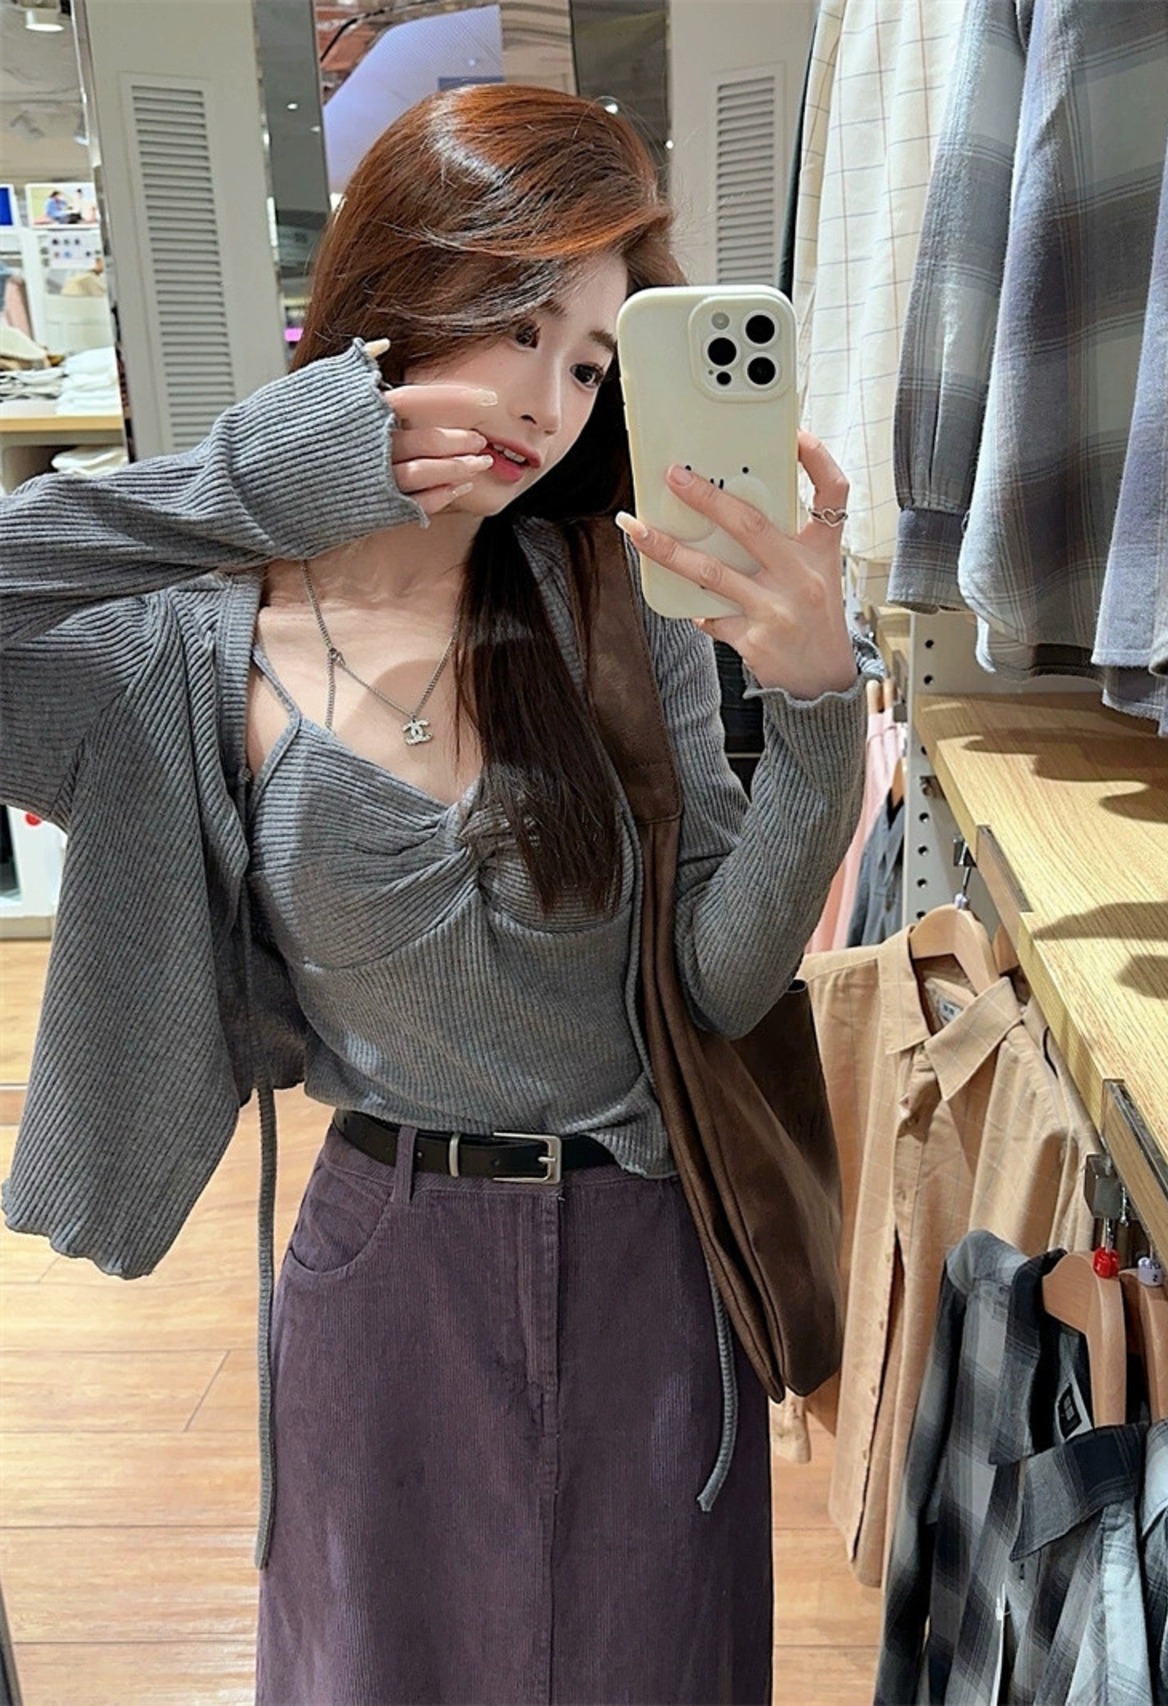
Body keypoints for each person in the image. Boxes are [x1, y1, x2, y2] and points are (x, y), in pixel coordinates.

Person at [0, 85, 873, 1704]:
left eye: (590, 361)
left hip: (646, 1264)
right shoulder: (184, 656)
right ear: (397, 295)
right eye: (517, 323)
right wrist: (268, 481)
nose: (548, 399)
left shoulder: (611, 605)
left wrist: (821, 708)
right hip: (384, 1271)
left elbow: (717, 981)